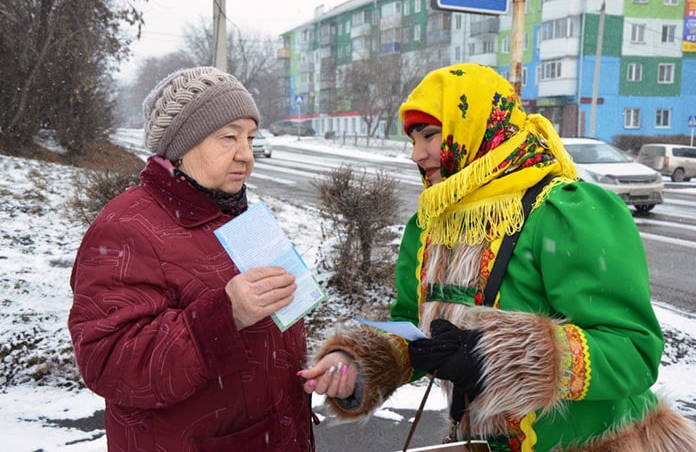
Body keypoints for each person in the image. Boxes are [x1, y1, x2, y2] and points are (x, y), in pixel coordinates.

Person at [298, 63, 696, 451]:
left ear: (479, 127)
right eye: (413, 140)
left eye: (430, 135)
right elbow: (415, 331)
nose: (417, 154)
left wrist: (498, 356)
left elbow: (633, 352)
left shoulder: (563, 210)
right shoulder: (431, 223)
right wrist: (358, 365)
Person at [69, 66, 315, 451]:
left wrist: (318, 368)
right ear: (181, 147)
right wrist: (225, 315)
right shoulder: (126, 227)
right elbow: (107, 362)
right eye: (229, 138)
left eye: (250, 138)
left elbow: (274, 336)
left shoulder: (241, 216)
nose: (246, 156)